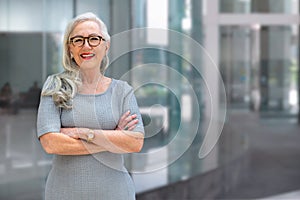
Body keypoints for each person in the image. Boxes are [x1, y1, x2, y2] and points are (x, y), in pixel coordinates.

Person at [37, 12, 144, 200]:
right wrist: (112, 140)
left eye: (94, 39)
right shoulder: (55, 85)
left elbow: (135, 142)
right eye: (78, 40)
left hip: (116, 193)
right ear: (70, 48)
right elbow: (50, 143)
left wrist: (83, 132)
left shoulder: (122, 91)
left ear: (106, 46)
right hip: (64, 194)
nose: (86, 46)